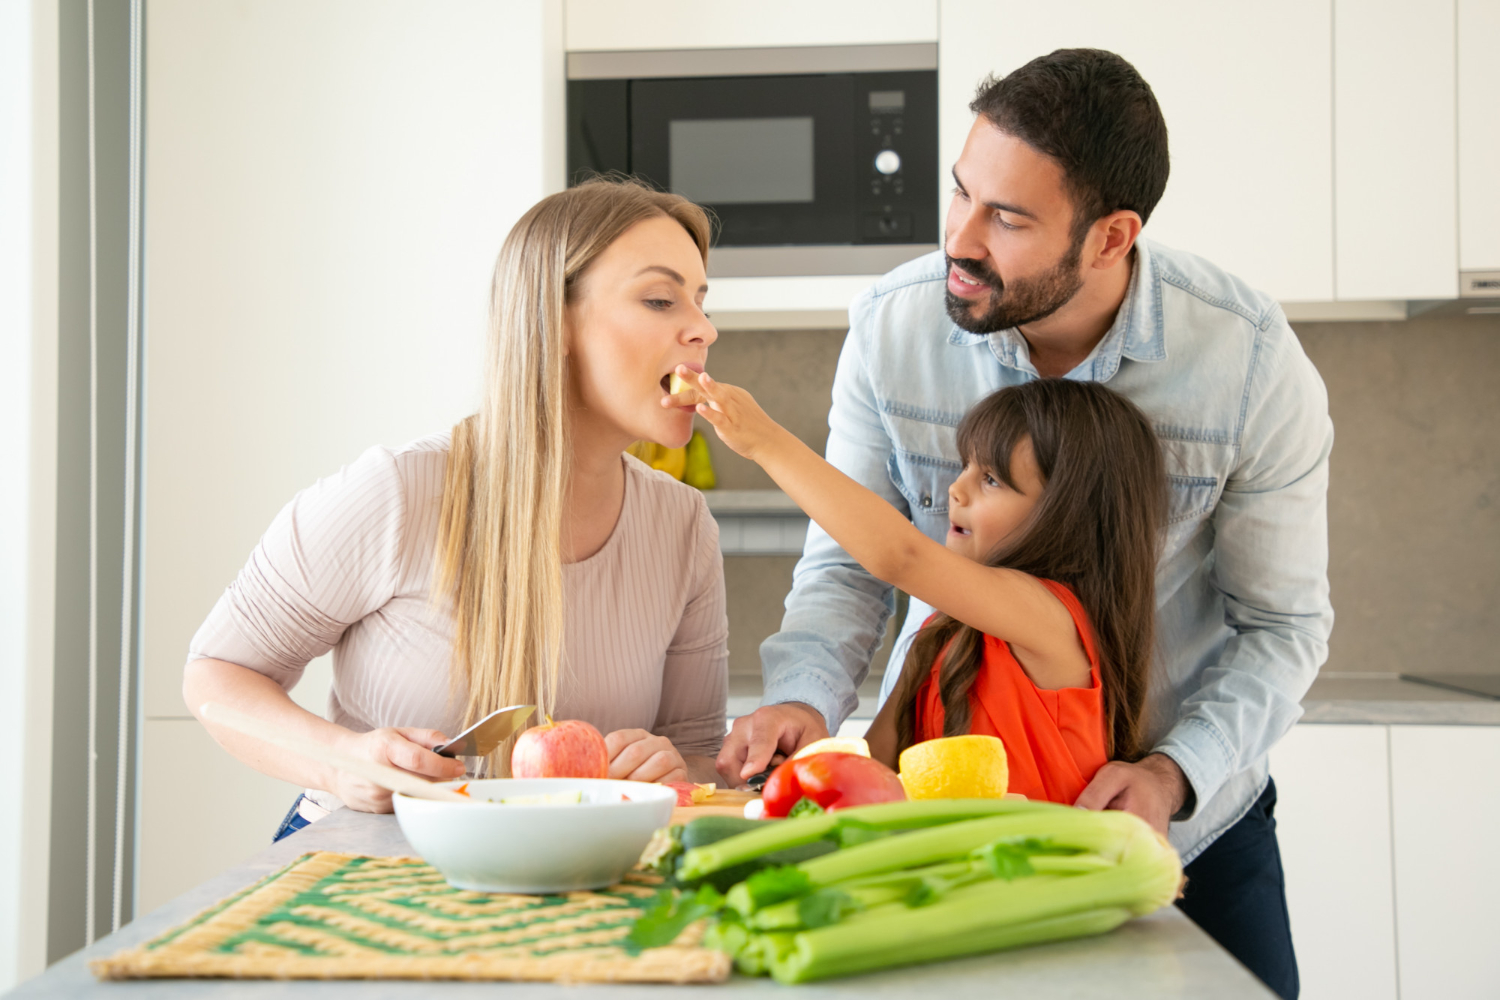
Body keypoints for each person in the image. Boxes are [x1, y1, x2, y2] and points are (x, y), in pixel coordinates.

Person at [715, 49, 1330, 1000]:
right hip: (953, 827)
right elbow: (850, 568)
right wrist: (805, 703)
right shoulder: (894, 327)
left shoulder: (1245, 360)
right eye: (961, 193)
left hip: (1184, 827)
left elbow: (1283, 627)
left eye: (1006, 217)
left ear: (1110, 236)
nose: (959, 239)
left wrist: (1171, 775)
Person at [184, 179, 729, 838]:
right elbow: (217, 675)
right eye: (659, 299)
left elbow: (699, 755)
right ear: (553, 321)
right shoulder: (399, 491)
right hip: (367, 872)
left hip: (572, 875)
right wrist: (341, 762)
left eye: (700, 302)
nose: (704, 329)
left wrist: (671, 764)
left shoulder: (681, 526)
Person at [677, 372, 1166, 803]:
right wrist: (786, 774)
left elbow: (899, 555)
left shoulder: (1054, 620)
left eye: (991, 480)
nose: (957, 489)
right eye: (966, 466)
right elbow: (872, 769)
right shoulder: (940, 635)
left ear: (1068, 516)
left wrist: (764, 441)